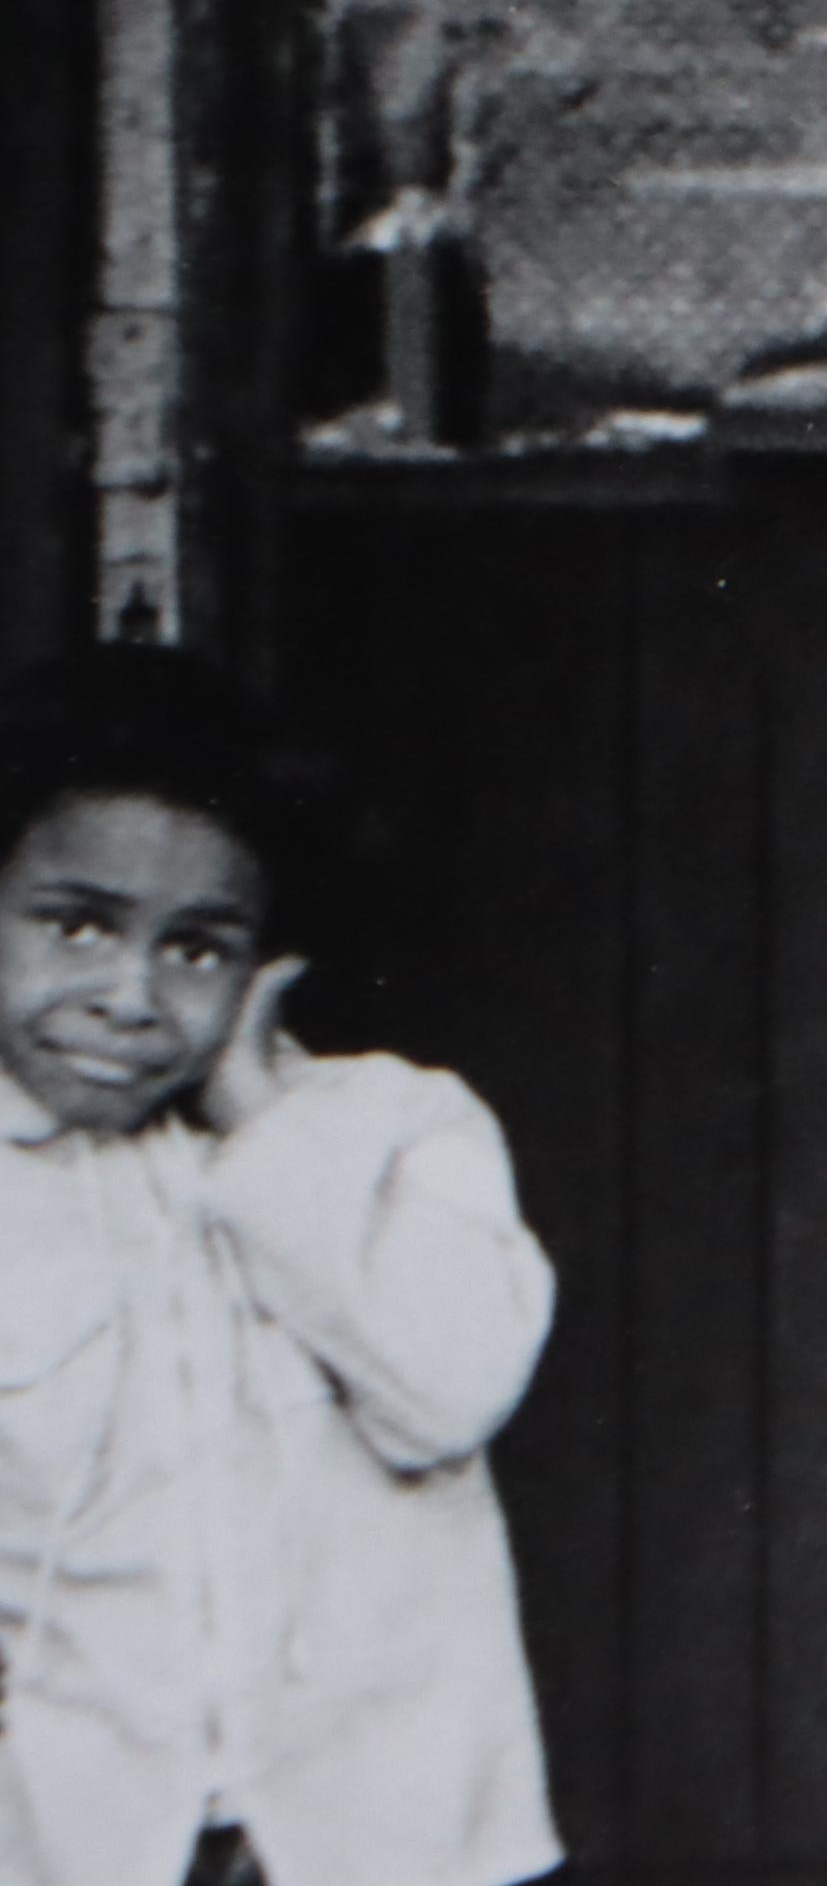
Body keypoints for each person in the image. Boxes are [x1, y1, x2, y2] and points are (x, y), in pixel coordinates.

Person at [0, 648, 559, 1886]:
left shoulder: (399, 1130)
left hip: (393, 1842)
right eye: (77, 925)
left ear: (267, 967)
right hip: (76, 1839)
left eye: (195, 947)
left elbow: (449, 1390)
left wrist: (262, 1120)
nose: (128, 994)